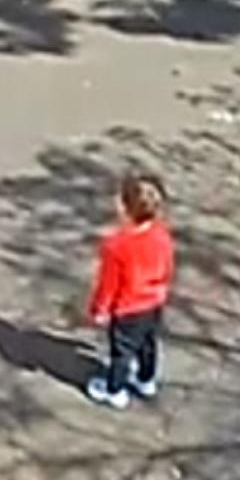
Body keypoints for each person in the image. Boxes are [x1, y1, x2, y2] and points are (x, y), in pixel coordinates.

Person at [84, 174, 176, 411]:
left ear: (125, 208)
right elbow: (167, 266)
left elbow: (109, 283)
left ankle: (114, 389)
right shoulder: (162, 234)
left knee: (122, 351)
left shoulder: (117, 245)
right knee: (148, 343)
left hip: (127, 307)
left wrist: (100, 309)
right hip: (154, 301)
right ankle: (146, 380)